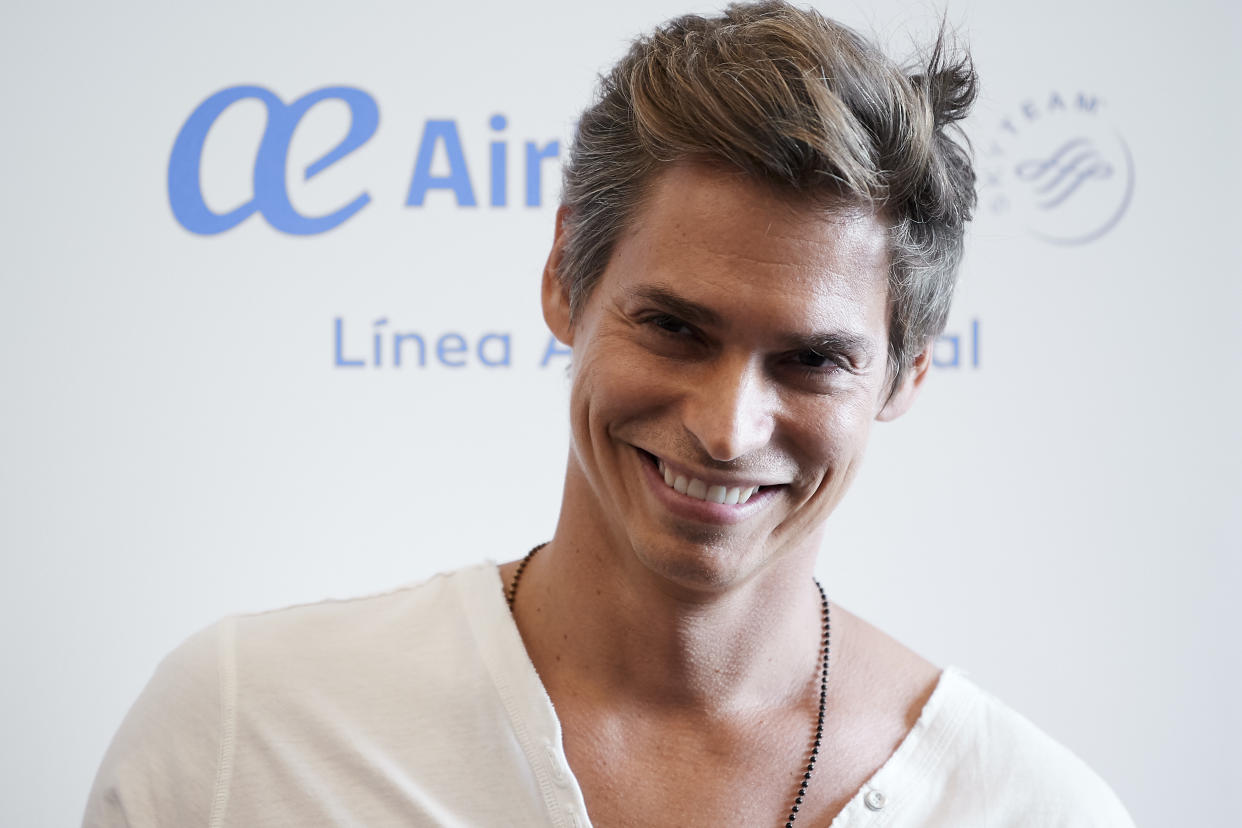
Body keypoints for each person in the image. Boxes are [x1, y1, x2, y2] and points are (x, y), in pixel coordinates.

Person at [85, 2, 1135, 825]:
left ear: (906, 376)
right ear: (563, 279)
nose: (728, 428)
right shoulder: (245, 729)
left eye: (812, 361)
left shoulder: (1038, 810)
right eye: (675, 328)